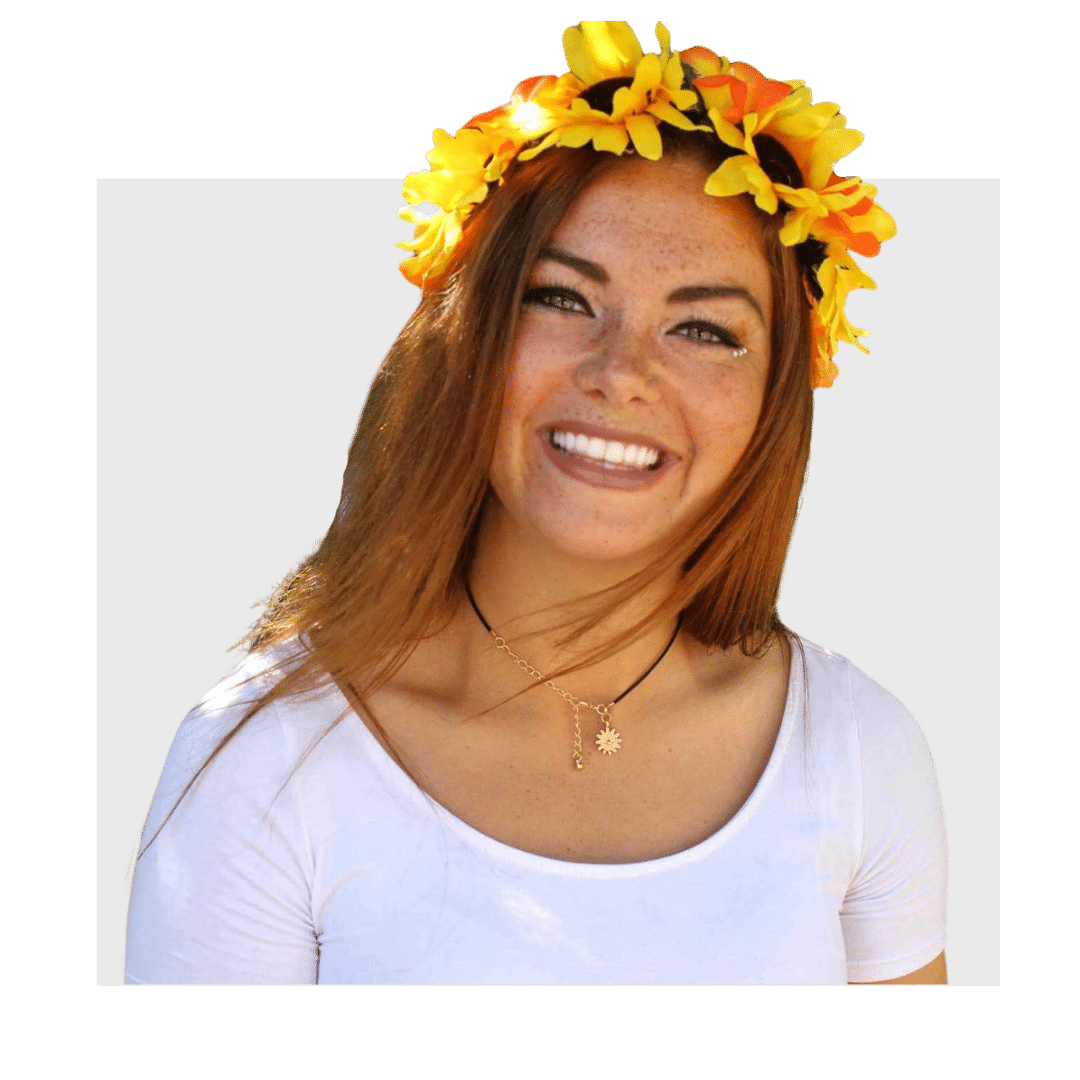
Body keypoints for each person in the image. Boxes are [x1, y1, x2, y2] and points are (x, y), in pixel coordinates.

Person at [124, 19, 947, 985]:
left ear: (774, 404)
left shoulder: (858, 746)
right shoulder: (264, 759)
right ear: (460, 338)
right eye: (561, 299)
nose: (622, 374)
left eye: (705, 329)